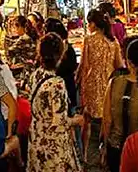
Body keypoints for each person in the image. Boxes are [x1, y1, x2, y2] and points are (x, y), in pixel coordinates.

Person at [101, 39, 138, 172]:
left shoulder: (114, 83)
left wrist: (104, 147)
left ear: (128, 61)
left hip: (116, 148)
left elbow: (107, 120)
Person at [28, 33, 82, 172]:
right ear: (60, 54)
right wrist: (77, 120)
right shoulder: (57, 84)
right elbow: (59, 123)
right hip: (53, 145)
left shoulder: (36, 75)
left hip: (36, 136)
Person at [78, 9, 123, 160]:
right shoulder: (113, 41)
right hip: (109, 86)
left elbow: (84, 66)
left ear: (93, 24)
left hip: (92, 85)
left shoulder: (88, 40)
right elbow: (119, 65)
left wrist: (79, 83)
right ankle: (104, 153)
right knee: (107, 121)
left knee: (87, 120)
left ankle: (84, 154)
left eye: (88, 23)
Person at [7, 16, 38, 96]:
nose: (14, 30)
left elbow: (9, 51)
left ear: (20, 27)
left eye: (15, 27)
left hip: (26, 70)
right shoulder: (30, 36)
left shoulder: (23, 39)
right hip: (30, 68)